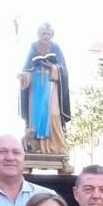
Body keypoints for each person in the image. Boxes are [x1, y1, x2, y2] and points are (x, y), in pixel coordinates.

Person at [19, 22, 71, 155]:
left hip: (51, 85)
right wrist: (24, 76)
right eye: (43, 33)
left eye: (48, 34)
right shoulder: (33, 47)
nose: (45, 36)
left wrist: (53, 67)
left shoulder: (56, 47)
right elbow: (26, 68)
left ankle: (57, 147)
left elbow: (63, 69)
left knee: (53, 114)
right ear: (38, 34)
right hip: (35, 87)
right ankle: (35, 147)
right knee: (34, 118)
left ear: (52, 35)